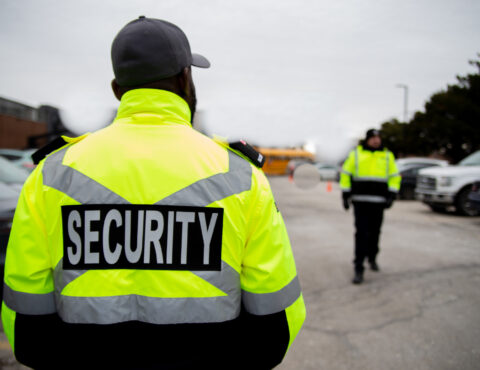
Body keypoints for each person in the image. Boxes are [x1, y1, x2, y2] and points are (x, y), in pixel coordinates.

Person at [2, 16, 306, 369]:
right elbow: (274, 330)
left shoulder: (51, 174)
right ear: (185, 78)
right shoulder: (240, 176)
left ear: (118, 89)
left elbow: (27, 332)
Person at [340, 129, 401, 285]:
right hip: (360, 202)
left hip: (379, 203)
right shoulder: (356, 154)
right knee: (361, 234)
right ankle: (358, 268)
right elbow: (346, 173)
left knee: (375, 233)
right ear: (367, 140)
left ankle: (372, 258)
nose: (376, 140)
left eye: (378, 137)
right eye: (373, 138)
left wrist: (392, 194)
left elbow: (394, 176)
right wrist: (345, 194)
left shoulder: (387, 156)